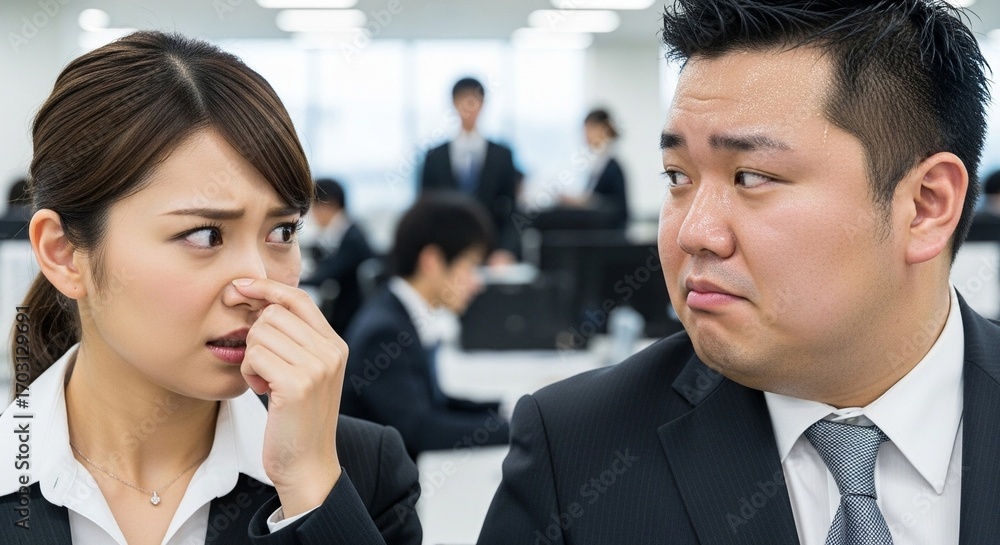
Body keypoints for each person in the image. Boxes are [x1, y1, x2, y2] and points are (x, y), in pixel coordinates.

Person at [478, 1, 997, 544]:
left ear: (925, 206)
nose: (693, 233)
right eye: (678, 177)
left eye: (750, 177)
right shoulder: (576, 453)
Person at [0, 31, 420, 544]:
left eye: (282, 232)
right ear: (64, 253)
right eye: (205, 235)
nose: (257, 284)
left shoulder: (361, 471)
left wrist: (311, 494)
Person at [340, 193, 509, 459]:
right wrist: (517, 430)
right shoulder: (384, 333)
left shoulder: (400, 312)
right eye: (470, 266)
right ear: (432, 261)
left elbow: (433, 403)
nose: (477, 283)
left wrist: (503, 410)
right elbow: (420, 429)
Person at [420, 77, 520, 264]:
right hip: (446, 252)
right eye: (463, 100)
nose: (469, 108)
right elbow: (424, 208)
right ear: (454, 104)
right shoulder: (435, 156)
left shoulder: (501, 155)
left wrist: (506, 250)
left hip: (491, 253)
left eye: (474, 101)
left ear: (483, 104)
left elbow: (513, 209)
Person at [299, 178, 375, 333]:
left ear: (330, 205)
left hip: (352, 318)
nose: (313, 214)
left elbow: (326, 274)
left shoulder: (352, 239)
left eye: (315, 207)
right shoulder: (344, 232)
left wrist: (293, 279)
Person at [556, 108, 629, 229]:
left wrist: (583, 201)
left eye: (590, 129)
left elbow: (616, 208)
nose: (586, 135)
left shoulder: (612, 167)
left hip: (608, 232)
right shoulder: (596, 163)